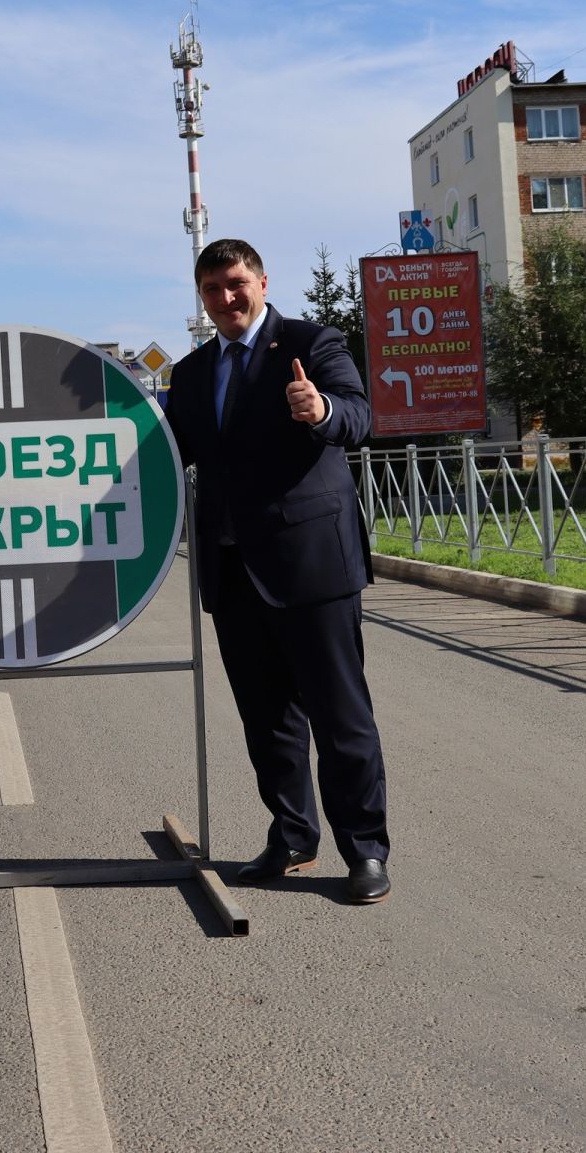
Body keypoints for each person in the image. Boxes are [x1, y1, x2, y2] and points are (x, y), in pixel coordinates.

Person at [163, 238, 392, 904]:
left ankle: (366, 851)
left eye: (235, 283)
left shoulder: (312, 342)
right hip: (232, 568)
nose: (226, 299)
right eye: (211, 289)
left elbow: (359, 415)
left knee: (339, 715)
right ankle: (293, 835)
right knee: (268, 720)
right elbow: (166, 453)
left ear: (261, 281)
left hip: (310, 563)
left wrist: (319, 411)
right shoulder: (193, 371)